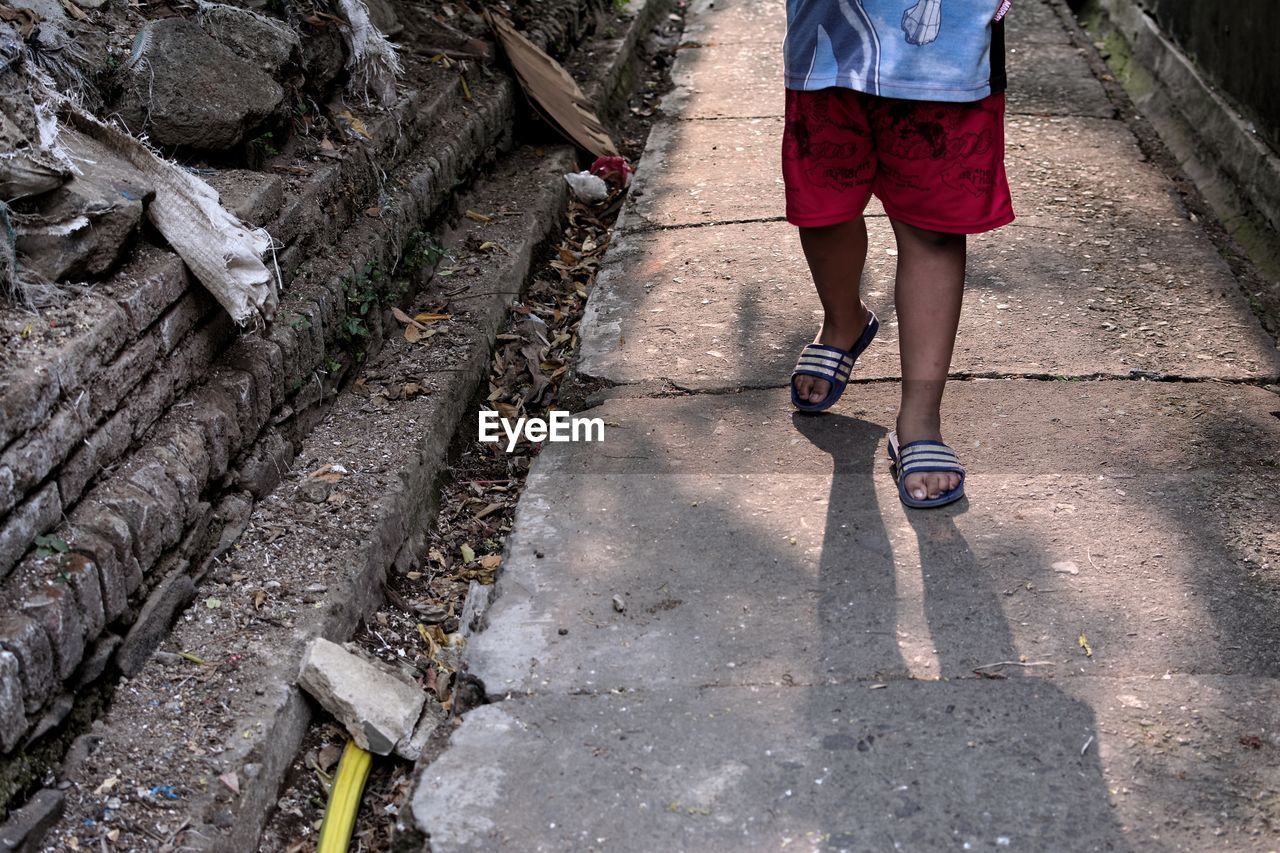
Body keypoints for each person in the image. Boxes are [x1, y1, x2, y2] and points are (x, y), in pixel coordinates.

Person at [783, 0, 1015, 509]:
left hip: (946, 54)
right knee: (824, 208)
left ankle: (920, 422)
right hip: (827, 39)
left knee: (933, 231)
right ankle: (843, 322)